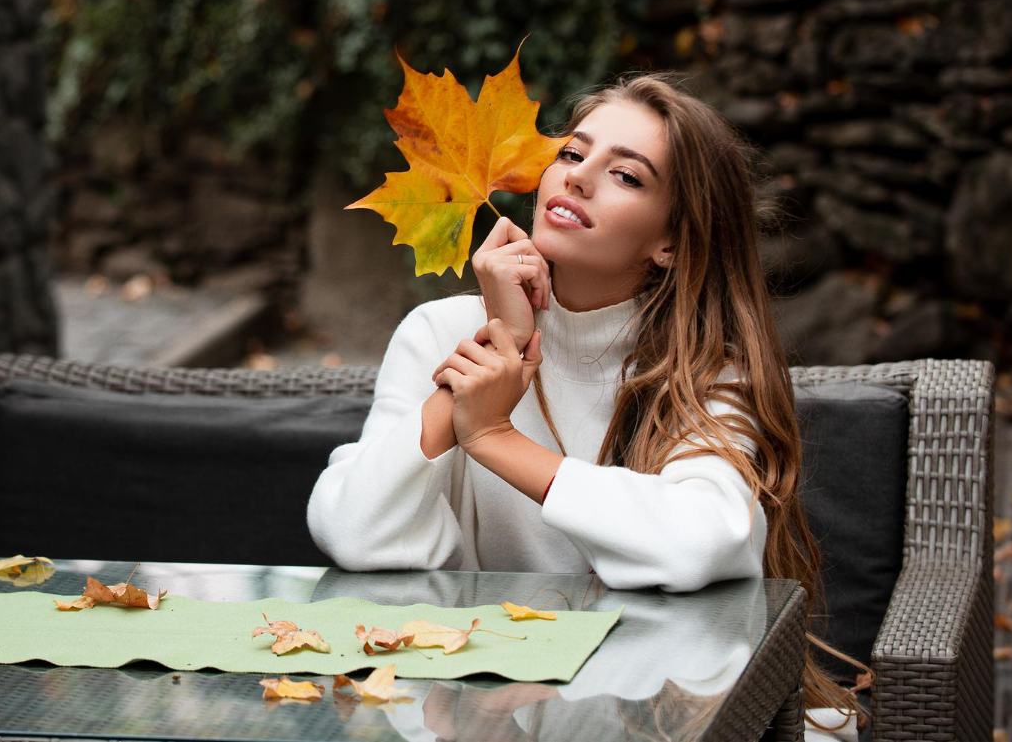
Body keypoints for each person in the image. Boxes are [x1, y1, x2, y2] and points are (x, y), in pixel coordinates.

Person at [307, 71, 863, 733]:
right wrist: (495, 351)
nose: (576, 176)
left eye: (626, 175)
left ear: (672, 243)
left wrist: (494, 439)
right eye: (572, 154)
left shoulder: (707, 375)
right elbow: (351, 529)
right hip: (470, 708)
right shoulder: (439, 335)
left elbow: (703, 542)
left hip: (655, 718)